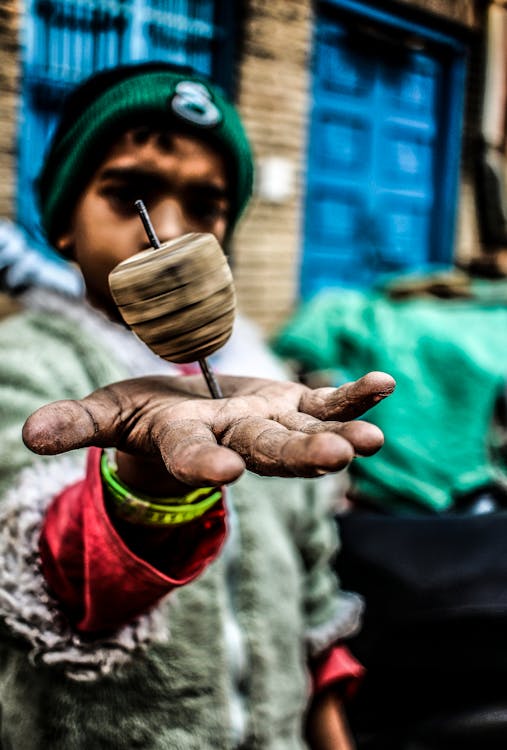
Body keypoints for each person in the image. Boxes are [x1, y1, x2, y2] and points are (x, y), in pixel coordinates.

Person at [0, 61, 395, 749]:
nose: (172, 230)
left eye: (207, 205)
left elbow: (309, 587)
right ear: (63, 225)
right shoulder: (26, 368)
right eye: (130, 195)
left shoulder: (260, 378)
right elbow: (38, 573)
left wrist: (328, 724)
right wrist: (144, 484)